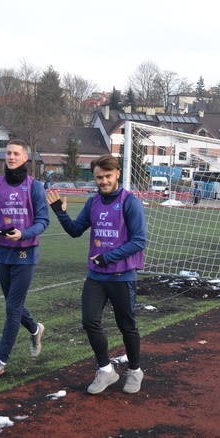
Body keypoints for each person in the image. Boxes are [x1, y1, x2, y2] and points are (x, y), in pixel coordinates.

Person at [46, 154, 147, 394]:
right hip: (96, 277)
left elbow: (139, 241)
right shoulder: (93, 203)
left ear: (117, 175)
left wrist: (108, 257)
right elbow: (75, 231)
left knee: (127, 326)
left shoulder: (130, 202)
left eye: (107, 176)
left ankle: (135, 371)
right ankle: (105, 370)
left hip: (122, 277)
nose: (103, 182)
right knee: (89, 321)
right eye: (99, 178)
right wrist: (60, 213)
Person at [0, 139, 48, 377]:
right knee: (12, 304)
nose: (11, 157)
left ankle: (0, 361)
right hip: (2, 252)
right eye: (8, 153)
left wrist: (24, 234)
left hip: (25, 253)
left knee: (12, 307)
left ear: (25, 158)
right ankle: (35, 328)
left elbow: (43, 221)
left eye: (16, 153)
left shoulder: (34, 187)